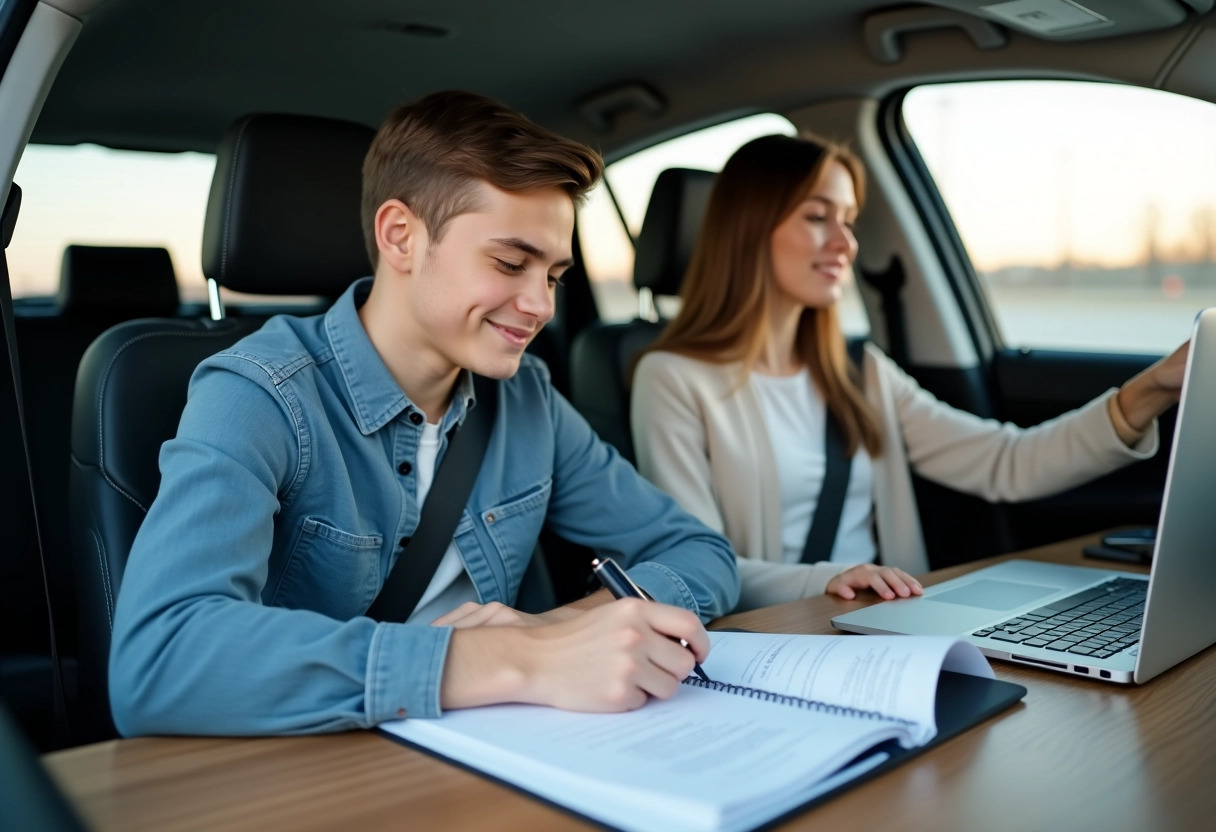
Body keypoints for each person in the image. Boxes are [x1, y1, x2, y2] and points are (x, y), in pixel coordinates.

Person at [107, 91, 740, 736]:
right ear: (401, 237)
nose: (540, 304)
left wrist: (558, 632)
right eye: (511, 263)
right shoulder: (261, 393)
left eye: (552, 275)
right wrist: (504, 658)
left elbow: (698, 551)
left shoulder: (528, 401)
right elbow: (159, 659)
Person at [630, 133, 1188, 613]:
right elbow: (696, 566)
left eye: (848, 221)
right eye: (818, 216)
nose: (845, 243)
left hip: (886, 622)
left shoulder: (861, 372)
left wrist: (1156, 385)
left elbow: (1006, 463)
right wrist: (826, 578)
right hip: (770, 635)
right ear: (749, 228)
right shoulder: (672, 379)